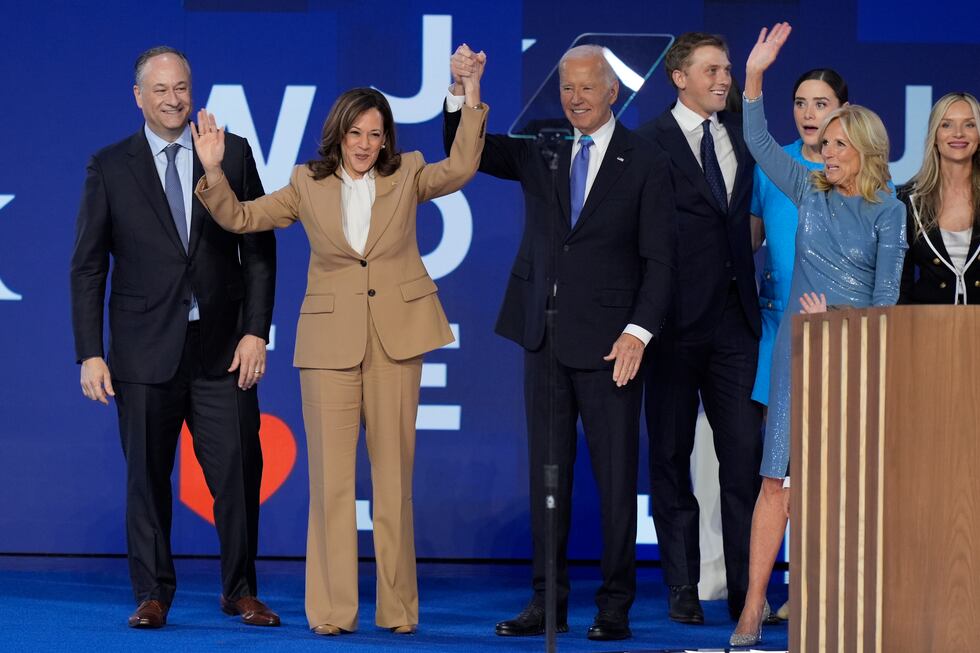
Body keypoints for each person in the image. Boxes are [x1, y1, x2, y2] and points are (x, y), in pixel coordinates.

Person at [192, 56, 487, 635]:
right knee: (330, 484)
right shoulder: (307, 182)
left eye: (376, 135)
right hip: (328, 347)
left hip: (396, 342)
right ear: (338, 133)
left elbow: (462, 167)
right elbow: (242, 217)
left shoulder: (408, 174)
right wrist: (214, 171)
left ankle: (398, 612)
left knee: (394, 482)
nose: (366, 144)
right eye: (356, 133)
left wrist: (469, 94)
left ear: (386, 140)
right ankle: (332, 612)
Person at [444, 44, 676, 641]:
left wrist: (638, 332)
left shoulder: (645, 159)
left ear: (612, 92)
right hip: (543, 335)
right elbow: (466, 152)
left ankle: (615, 604)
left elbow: (661, 262)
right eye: (566, 88)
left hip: (611, 346)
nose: (573, 98)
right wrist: (463, 90)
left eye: (585, 88)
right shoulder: (543, 147)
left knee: (617, 479)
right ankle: (546, 602)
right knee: (548, 476)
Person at [70, 46, 278, 629]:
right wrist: (90, 351)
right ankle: (153, 593)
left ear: (194, 90)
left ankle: (240, 590)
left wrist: (255, 332)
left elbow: (259, 252)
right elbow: (88, 266)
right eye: (160, 89)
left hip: (221, 349)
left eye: (182, 87)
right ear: (139, 97)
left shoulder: (230, 154)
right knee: (146, 479)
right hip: (142, 350)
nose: (173, 99)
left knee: (239, 475)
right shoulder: (109, 165)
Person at [730, 23, 907, 646]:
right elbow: (754, 135)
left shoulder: (890, 210)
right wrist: (755, 72)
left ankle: (830, 602)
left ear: (864, 148)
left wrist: (840, 325)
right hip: (797, 354)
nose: (824, 153)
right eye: (823, 143)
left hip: (855, 357)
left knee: (845, 483)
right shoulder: (806, 189)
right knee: (775, 478)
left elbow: (887, 300)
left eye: (836, 144)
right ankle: (754, 604)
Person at [636, 32, 762, 625]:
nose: (724, 78)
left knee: (744, 462)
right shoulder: (647, 144)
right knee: (670, 458)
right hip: (672, 326)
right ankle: (682, 588)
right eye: (712, 69)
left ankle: (746, 595)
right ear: (678, 76)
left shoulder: (743, 132)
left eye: (728, 68)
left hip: (737, 324)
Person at [898, 92, 980, 305]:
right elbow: (900, 284)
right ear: (934, 136)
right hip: (927, 327)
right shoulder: (908, 200)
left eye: (969, 125)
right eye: (947, 125)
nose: (958, 134)